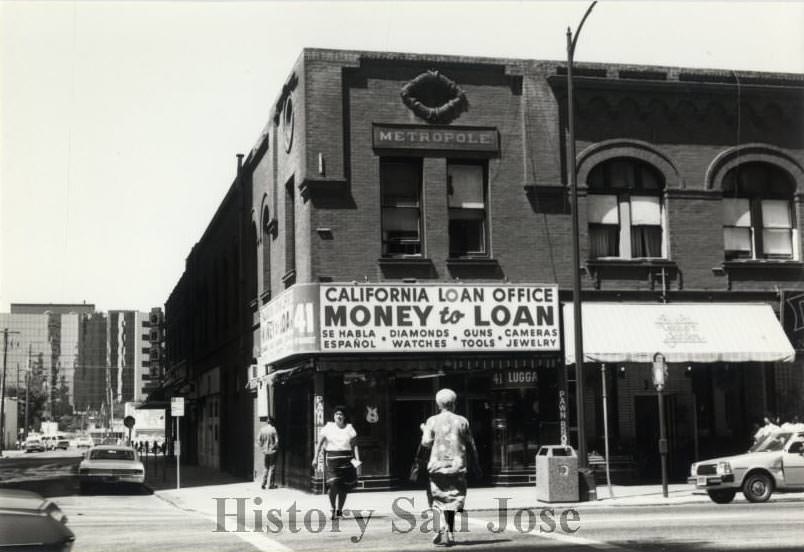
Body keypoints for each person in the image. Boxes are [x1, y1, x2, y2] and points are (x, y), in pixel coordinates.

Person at [421, 388, 481, 546]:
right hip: (457, 465)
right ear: (454, 403)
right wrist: (476, 463)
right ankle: (450, 532)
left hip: (437, 465)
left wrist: (423, 430)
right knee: (454, 499)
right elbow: (471, 444)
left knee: (437, 499)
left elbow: (426, 442)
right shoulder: (462, 421)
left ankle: (440, 526)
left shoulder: (432, 421)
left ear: (438, 404)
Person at [312, 405, 360, 519]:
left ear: (344, 417)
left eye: (341, 414)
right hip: (332, 460)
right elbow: (319, 444)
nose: (339, 416)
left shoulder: (349, 428)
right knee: (333, 485)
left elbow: (355, 446)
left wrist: (358, 461)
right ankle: (333, 509)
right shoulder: (328, 427)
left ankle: (339, 511)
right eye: (337, 414)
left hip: (346, 460)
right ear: (334, 416)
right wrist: (315, 458)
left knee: (343, 488)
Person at [257, 416, 279, 490]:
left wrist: (262, 447)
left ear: (267, 422)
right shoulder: (273, 429)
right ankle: (270, 484)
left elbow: (258, 440)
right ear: (272, 422)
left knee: (266, 467)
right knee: (272, 467)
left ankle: (263, 483)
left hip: (265, 451)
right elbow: (276, 441)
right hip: (272, 451)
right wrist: (274, 447)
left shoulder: (262, 429)